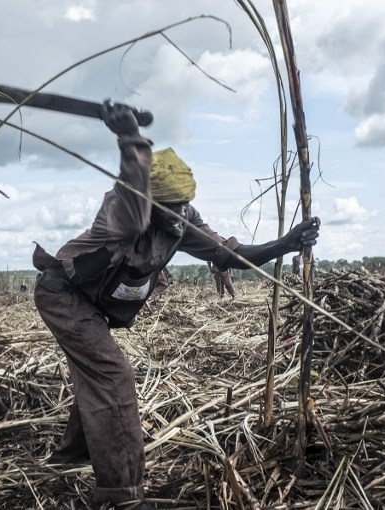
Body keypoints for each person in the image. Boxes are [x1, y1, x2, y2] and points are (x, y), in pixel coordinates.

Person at [31, 103, 320, 509]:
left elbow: (226, 253)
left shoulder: (180, 218)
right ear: (149, 203)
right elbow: (132, 187)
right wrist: (130, 137)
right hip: (64, 296)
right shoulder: (124, 212)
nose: (179, 217)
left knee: (95, 377)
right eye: (170, 209)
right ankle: (120, 498)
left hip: (96, 307)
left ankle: (71, 458)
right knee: (114, 378)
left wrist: (286, 243)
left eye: (184, 206)